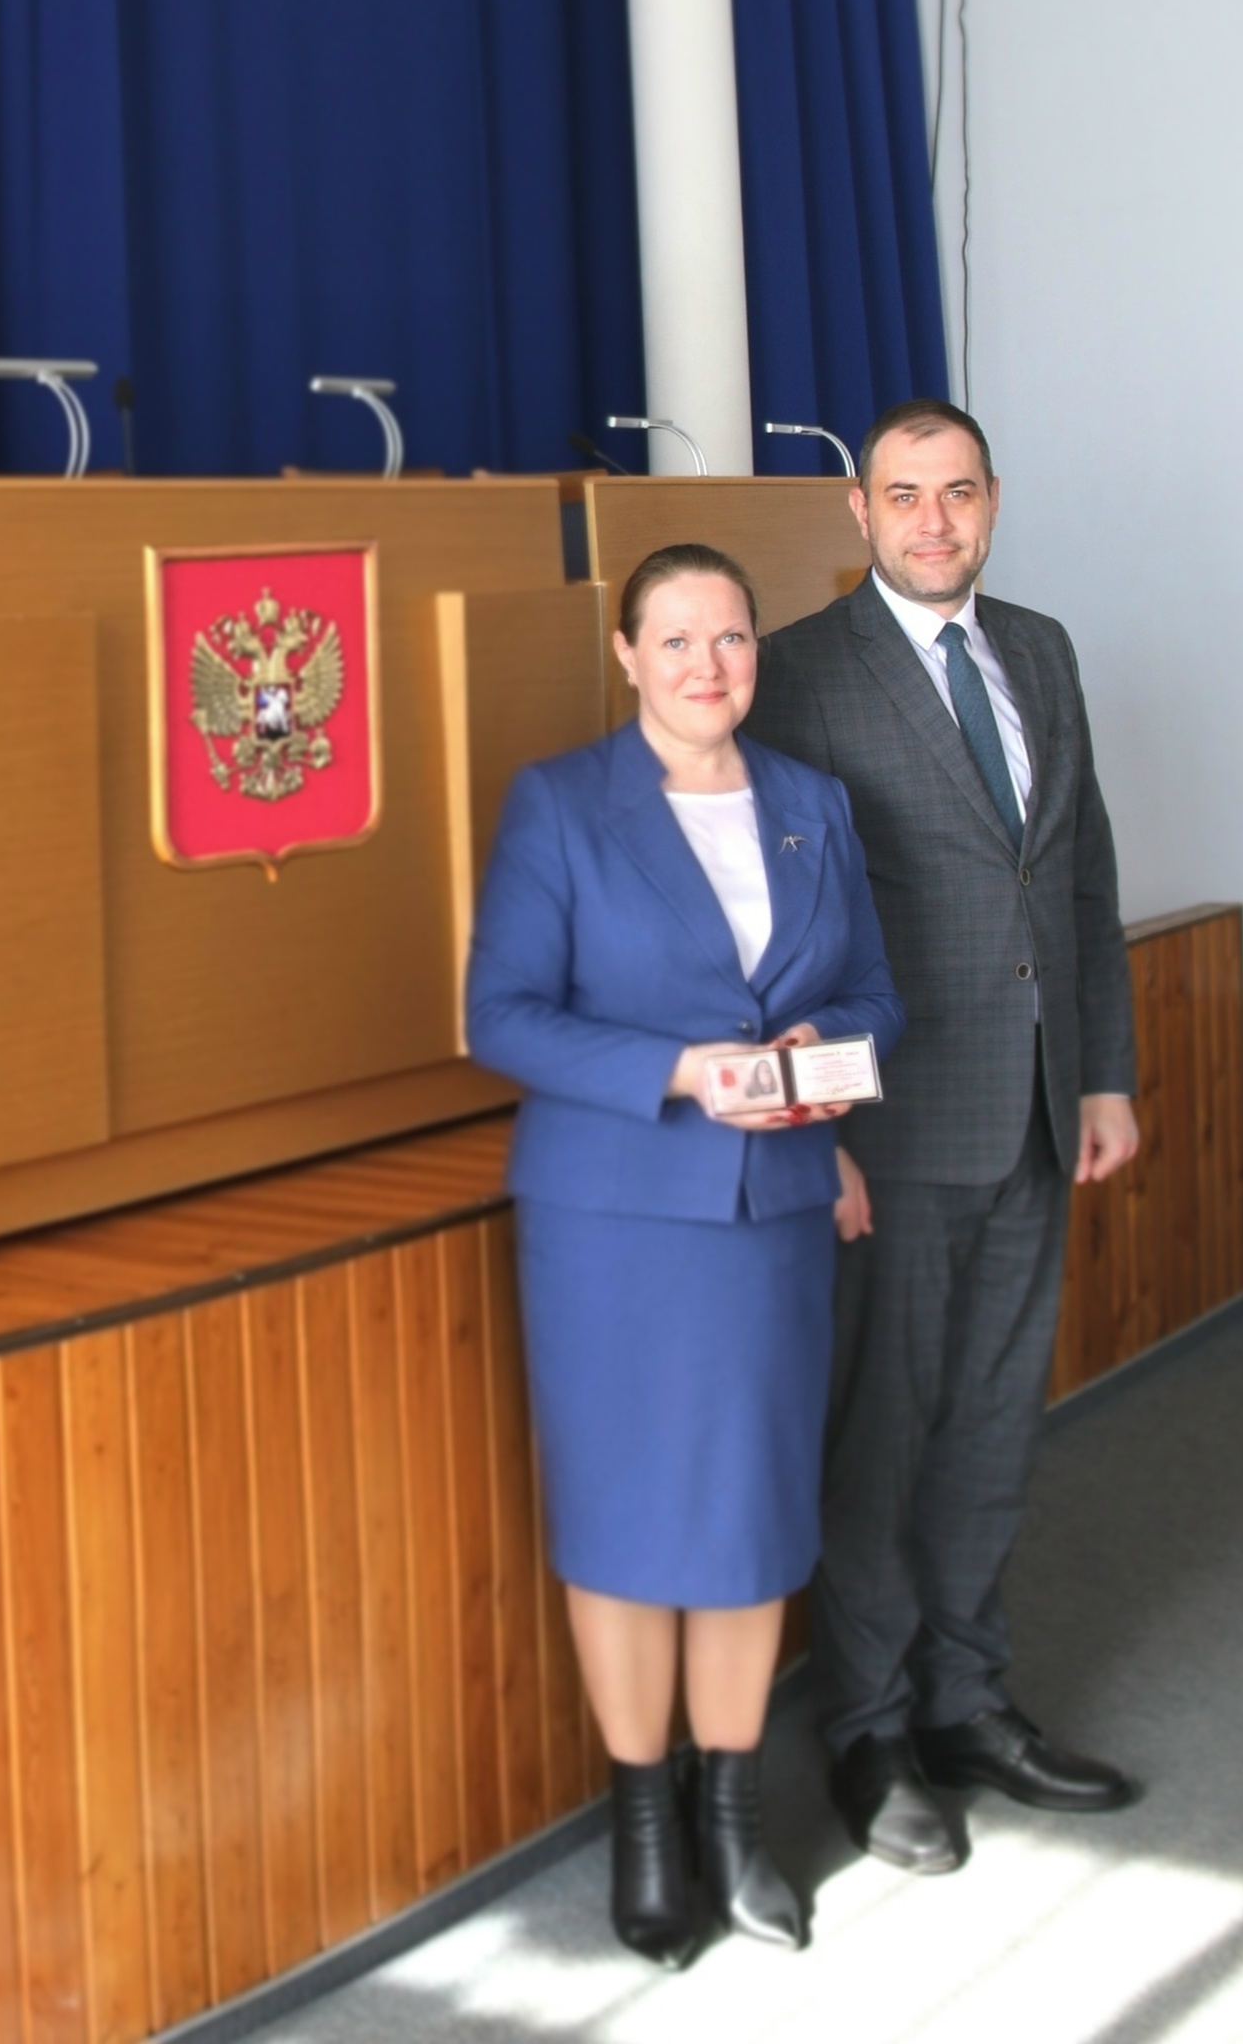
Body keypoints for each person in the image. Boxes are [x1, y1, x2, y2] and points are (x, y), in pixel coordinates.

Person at [466, 542, 904, 1968]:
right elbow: (502, 1017)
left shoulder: (814, 804)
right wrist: (683, 1069)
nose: (708, 666)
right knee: (621, 1526)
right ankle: (645, 1824)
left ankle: (733, 1815)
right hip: (613, 1227)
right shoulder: (562, 804)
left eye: (731, 639)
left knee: (749, 1526)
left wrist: (826, 1053)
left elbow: (877, 997)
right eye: (677, 640)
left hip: (772, 1217)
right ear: (628, 655)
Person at [748, 399, 1139, 1876]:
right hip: (890, 1131)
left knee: (990, 1425)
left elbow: (1079, 875)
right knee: (884, 1436)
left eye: (957, 493)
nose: (933, 521)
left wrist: (1102, 1074)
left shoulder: (1040, 649)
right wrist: (817, 1133)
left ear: (992, 501)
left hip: (1036, 1111)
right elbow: (776, 929)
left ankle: (968, 1701)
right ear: (859, 511)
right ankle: (870, 1729)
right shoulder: (799, 673)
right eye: (903, 496)